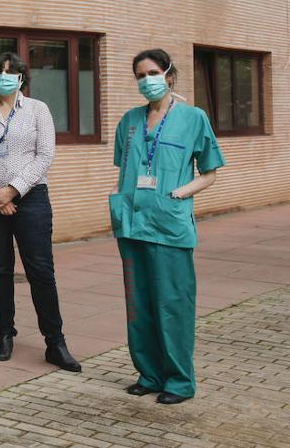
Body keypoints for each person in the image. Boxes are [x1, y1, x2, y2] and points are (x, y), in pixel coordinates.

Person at [110, 49, 224, 404]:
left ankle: (179, 381)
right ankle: (149, 374)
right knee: (138, 305)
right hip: (131, 223)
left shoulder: (193, 118)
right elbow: (124, 167)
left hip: (169, 224)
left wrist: (180, 193)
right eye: (140, 75)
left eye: (153, 72)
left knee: (172, 303)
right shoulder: (129, 121)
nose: (147, 80)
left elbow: (210, 172)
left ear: (170, 75)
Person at [0, 52, 80, 372]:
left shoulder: (38, 110)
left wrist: (11, 191)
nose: (4, 77)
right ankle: (4, 334)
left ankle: (55, 341)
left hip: (31, 200)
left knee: (40, 270)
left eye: (11, 72)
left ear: (22, 77)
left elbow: (45, 156)